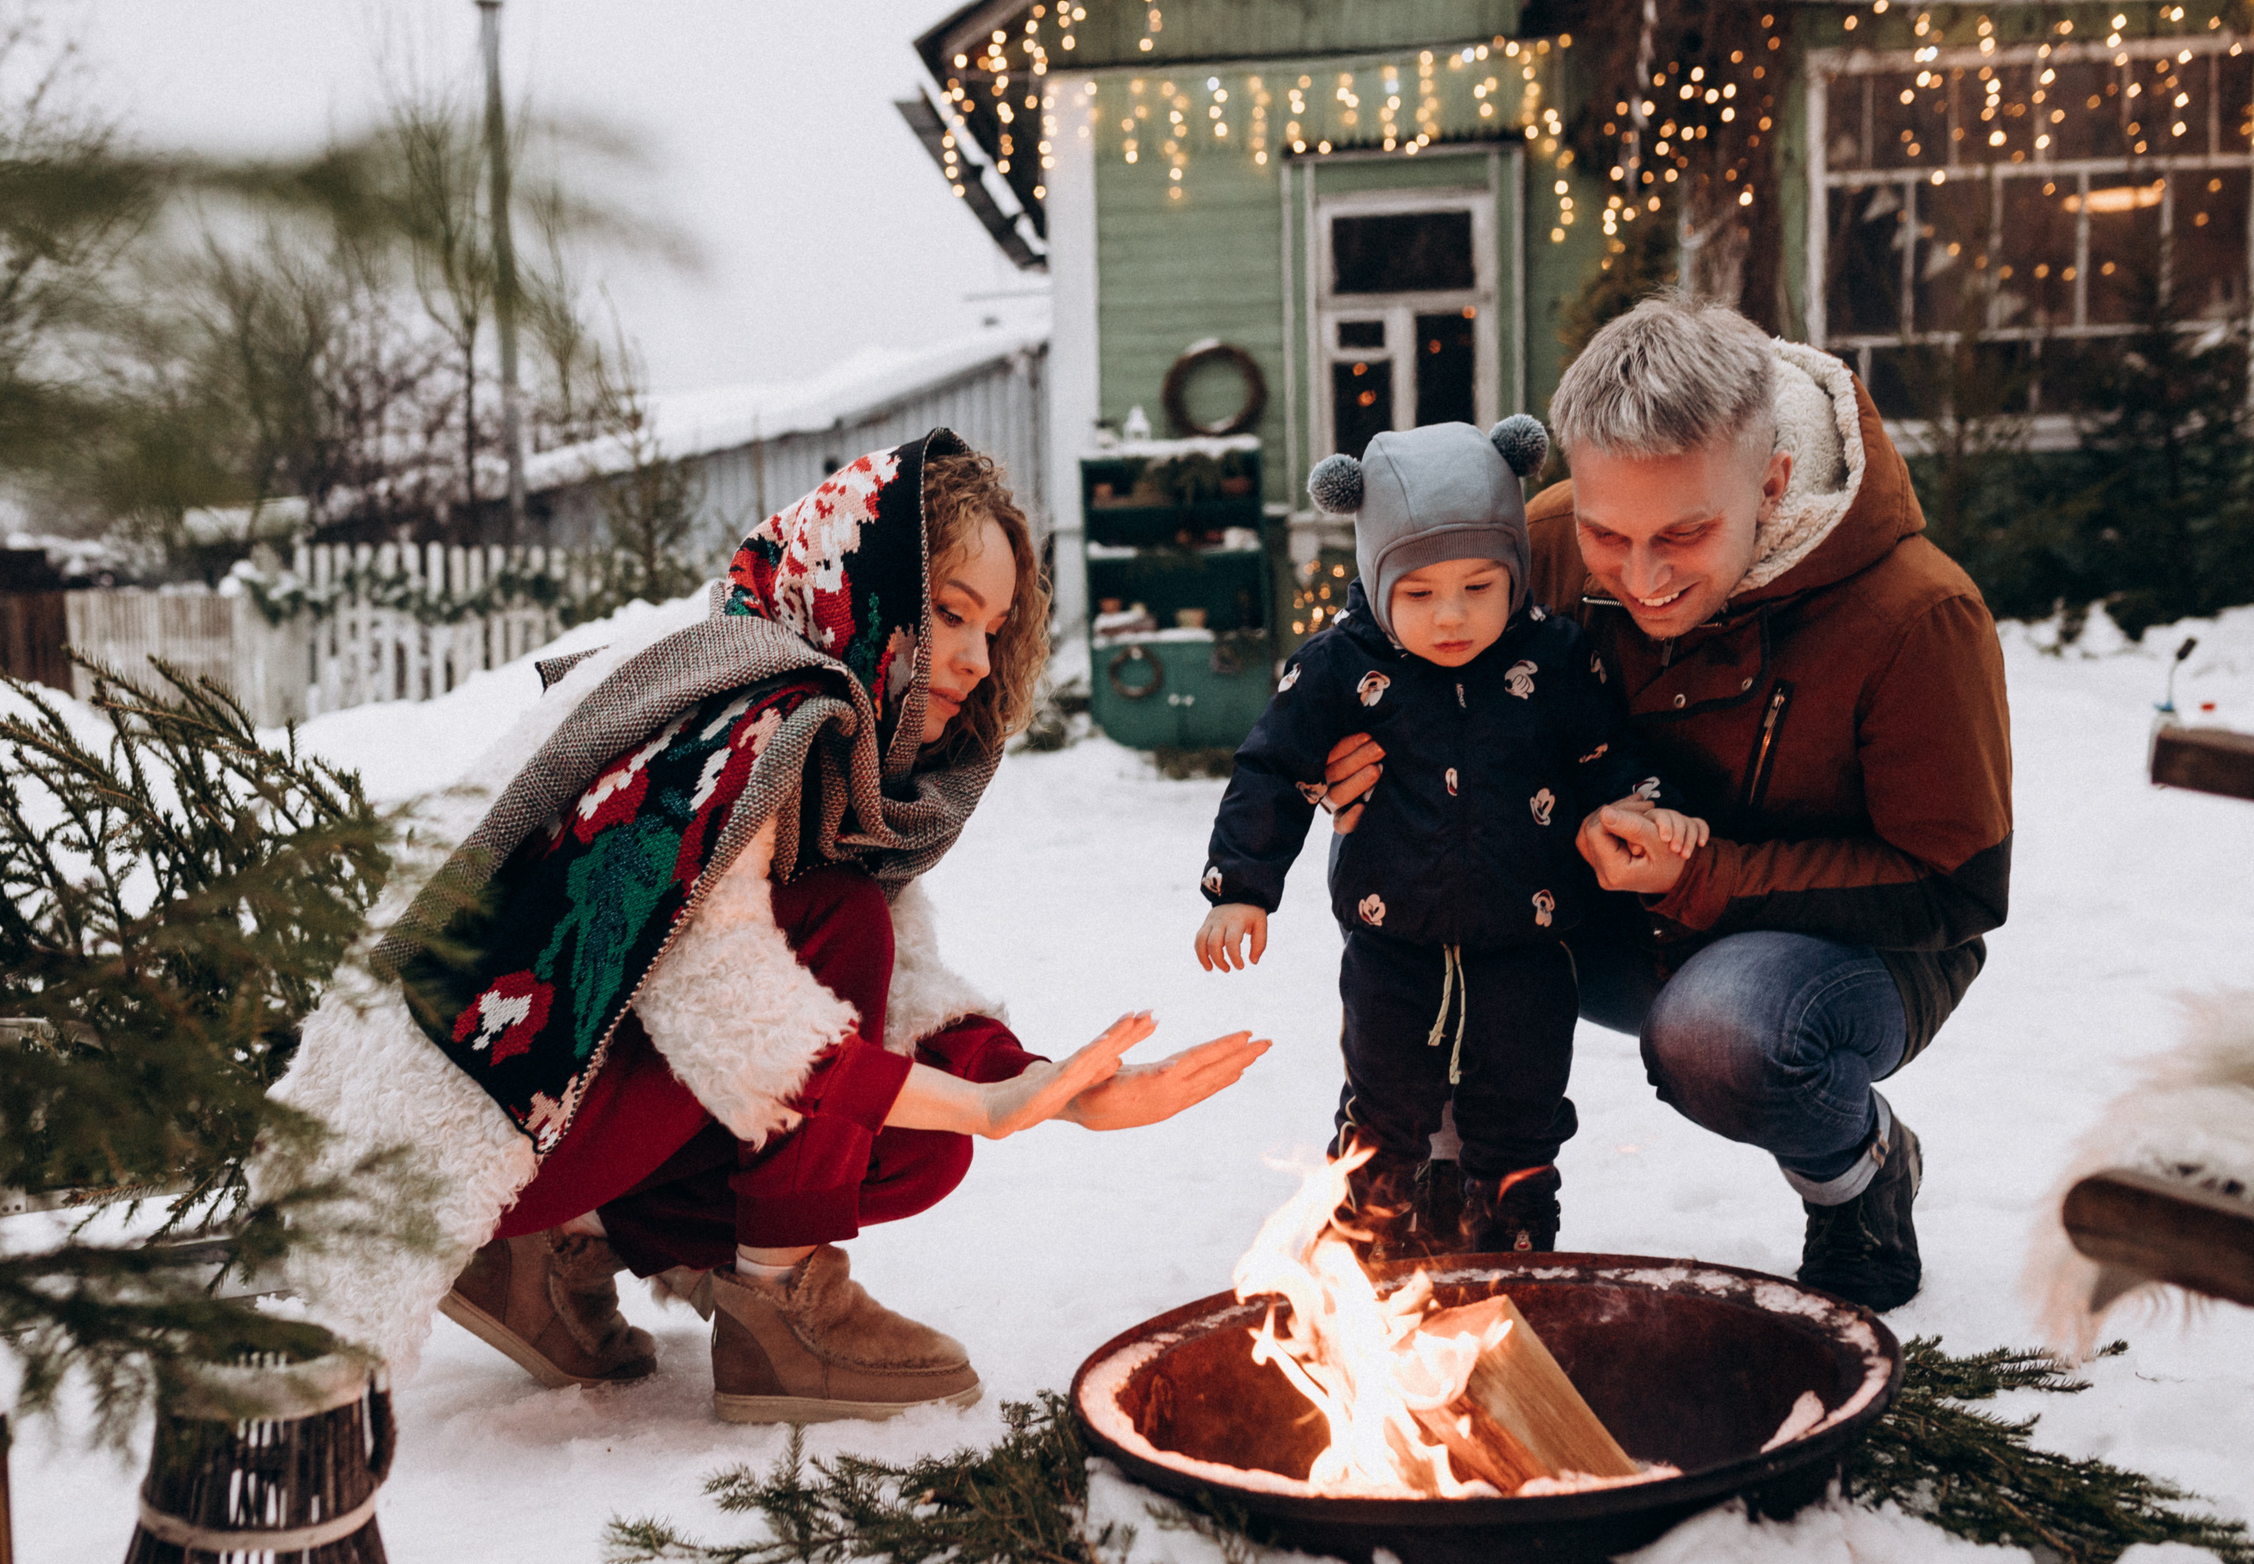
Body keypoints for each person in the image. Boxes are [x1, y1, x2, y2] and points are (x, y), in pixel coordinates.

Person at [271, 430, 1269, 1422]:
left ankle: (537, 1251)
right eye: (949, 614)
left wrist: (1045, 1087)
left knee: (916, 1140)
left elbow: (895, 986)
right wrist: (988, 1106)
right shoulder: (744, 707)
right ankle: (777, 1309)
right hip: (425, 1153)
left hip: (525, 1116)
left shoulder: (814, 724)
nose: (973, 657)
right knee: (841, 939)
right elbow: (729, 1008)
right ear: (865, 589)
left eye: (993, 629)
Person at [1321, 299, 2011, 1311]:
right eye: (1608, 533)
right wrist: (1346, 753)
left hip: (1843, 960)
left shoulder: (1917, 616)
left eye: (1684, 535)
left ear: (1772, 483)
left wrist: (1708, 876)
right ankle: (1446, 1181)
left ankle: (1856, 1174)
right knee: (1419, 892)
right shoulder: (1548, 549)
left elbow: (1955, 889)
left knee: (1724, 1031)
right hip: (1605, 915)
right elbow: (1386, 630)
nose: (1640, 579)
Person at [1193, 417, 1703, 1257]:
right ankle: (1367, 1243)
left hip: (1528, 943)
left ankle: (1514, 1239)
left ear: (1515, 571)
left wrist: (1649, 805)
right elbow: (1271, 768)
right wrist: (1241, 886)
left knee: (1523, 1104)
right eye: (1420, 593)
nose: (1453, 615)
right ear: (1376, 577)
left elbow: (1606, 757)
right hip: (1390, 943)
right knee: (1385, 1100)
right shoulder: (1340, 666)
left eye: (1479, 585)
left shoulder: (1557, 660)